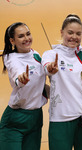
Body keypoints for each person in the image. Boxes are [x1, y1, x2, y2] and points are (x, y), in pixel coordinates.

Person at [42, 14, 82, 150]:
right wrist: (50, 68)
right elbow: (46, 67)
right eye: (70, 32)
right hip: (60, 119)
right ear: (62, 32)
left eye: (78, 33)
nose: (74, 37)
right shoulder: (50, 54)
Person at [0, 22, 47, 150]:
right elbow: (17, 71)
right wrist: (21, 78)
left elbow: (41, 86)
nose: (26, 38)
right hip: (15, 119)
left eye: (28, 34)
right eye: (21, 36)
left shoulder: (36, 55)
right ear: (12, 40)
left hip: (36, 118)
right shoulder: (10, 57)